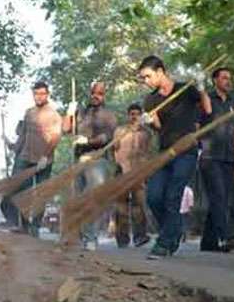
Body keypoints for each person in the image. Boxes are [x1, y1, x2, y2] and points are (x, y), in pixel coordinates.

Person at [138, 55, 212, 259]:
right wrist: (150, 121)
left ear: (160, 71)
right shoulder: (150, 100)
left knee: (173, 196)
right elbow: (160, 128)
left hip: (186, 151)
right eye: (143, 78)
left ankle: (163, 243)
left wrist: (201, 86)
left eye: (148, 76)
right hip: (164, 152)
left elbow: (207, 109)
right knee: (153, 197)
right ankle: (173, 232)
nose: (146, 81)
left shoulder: (185, 89)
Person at [64, 81, 117, 250]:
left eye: (100, 93)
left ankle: (91, 237)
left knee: (92, 198)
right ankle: (77, 237)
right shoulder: (81, 112)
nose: (96, 95)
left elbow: (106, 138)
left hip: (97, 159)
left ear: (104, 96)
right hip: (78, 159)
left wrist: (87, 140)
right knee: (77, 199)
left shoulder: (109, 115)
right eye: (94, 92)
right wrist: (69, 112)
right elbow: (66, 129)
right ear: (90, 92)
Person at [8, 81, 63, 236]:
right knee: (21, 191)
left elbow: (55, 137)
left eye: (42, 93)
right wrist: (15, 149)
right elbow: (23, 134)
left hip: (44, 160)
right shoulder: (29, 112)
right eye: (36, 93)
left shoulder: (54, 115)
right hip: (25, 157)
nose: (38, 96)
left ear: (47, 95)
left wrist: (45, 156)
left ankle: (35, 227)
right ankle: (23, 225)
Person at [199, 67, 234, 252]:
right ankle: (224, 237)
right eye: (224, 77)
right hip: (210, 155)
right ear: (215, 80)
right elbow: (197, 124)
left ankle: (208, 242)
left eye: (229, 78)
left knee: (221, 198)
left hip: (229, 156)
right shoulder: (206, 98)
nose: (228, 81)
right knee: (219, 196)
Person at [113, 103, 152, 248]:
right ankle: (122, 238)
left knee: (140, 205)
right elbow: (114, 149)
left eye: (137, 114)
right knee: (121, 206)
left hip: (139, 172)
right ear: (128, 115)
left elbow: (147, 149)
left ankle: (140, 237)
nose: (134, 116)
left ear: (141, 115)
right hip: (122, 171)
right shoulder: (119, 130)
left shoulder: (146, 132)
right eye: (132, 114)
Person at [0, 120, 26, 228]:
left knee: (7, 201)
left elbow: (14, 148)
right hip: (17, 174)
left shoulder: (23, 139)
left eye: (18, 127)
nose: (16, 129)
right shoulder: (23, 140)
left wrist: (6, 140)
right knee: (8, 200)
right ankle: (12, 221)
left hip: (19, 176)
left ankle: (12, 222)